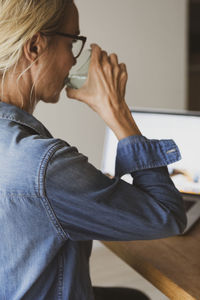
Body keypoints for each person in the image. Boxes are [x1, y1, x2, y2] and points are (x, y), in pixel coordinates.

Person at [0, 0, 187, 299]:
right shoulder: (43, 165)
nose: (74, 61)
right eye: (72, 42)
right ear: (35, 46)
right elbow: (167, 217)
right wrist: (116, 110)